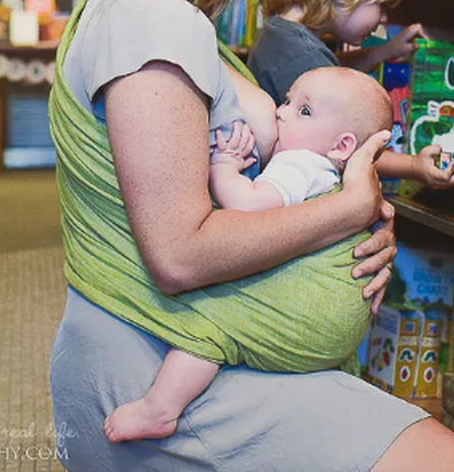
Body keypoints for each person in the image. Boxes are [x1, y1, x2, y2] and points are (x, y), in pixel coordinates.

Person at [49, 0, 454, 472]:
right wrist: (346, 210)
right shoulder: (151, 24)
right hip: (152, 356)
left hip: (183, 338)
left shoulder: (145, 6)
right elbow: (179, 253)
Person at [103, 67, 395, 444]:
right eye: (288, 100)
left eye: (303, 111)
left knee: (210, 324)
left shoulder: (302, 163)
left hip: (317, 313)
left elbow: (249, 205)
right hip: (344, 324)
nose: (282, 111)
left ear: (341, 147)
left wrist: (224, 167)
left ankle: (159, 409)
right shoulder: (333, 174)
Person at [249, 0, 454, 189]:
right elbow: (347, 149)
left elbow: (331, 74)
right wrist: (414, 166)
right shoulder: (300, 54)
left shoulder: (284, 36)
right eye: (381, 5)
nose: (382, 18)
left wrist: (382, 52)